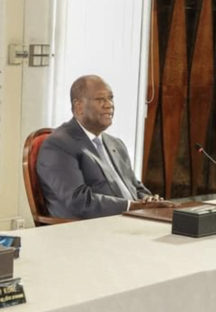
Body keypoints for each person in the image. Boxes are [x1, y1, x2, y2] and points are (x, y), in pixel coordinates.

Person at [37, 75, 173, 219]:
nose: (109, 105)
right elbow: (78, 201)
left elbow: (135, 186)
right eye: (100, 99)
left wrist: (148, 200)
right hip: (91, 226)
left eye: (110, 98)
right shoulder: (58, 144)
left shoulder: (116, 144)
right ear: (79, 106)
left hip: (132, 221)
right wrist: (132, 206)